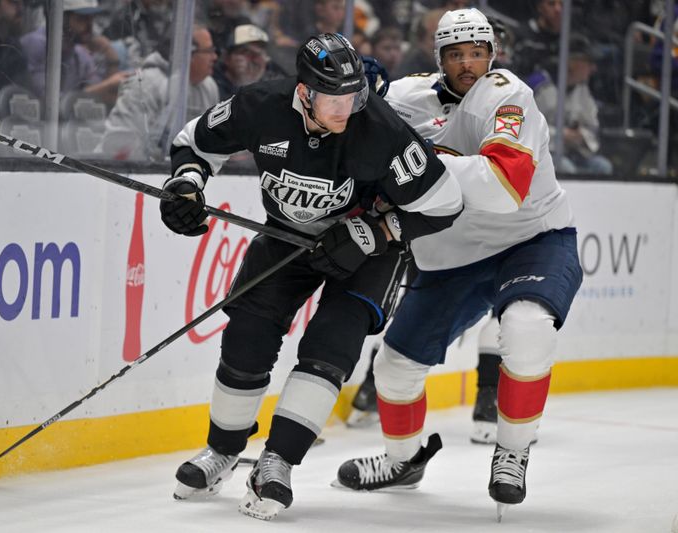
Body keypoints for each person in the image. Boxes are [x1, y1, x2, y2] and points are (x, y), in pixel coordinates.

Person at [160, 32, 463, 521]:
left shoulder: (381, 130)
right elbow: (194, 143)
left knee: (330, 345)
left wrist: (379, 230)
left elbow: (445, 204)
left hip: (368, 249)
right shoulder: (260, 105)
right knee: (248, 334)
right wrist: (187, 184)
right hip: (286, 235)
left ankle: (277, 463)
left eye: (355, 96)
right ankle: (222, 451)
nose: (348, 109)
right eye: (335, 99)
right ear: (304, 92)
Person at [334, 8, 582, 520]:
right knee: (394, 369)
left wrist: (414, 166)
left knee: (527, 327)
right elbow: (348, 137)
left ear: (493, 55)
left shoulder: (510, 96)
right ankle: (403, 462)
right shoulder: (405, 98)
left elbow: (504, 187)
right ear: (438, 58)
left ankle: (512, 452)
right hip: (450, 256)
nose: (468, 64)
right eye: (455, 54)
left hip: (531, 238)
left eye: (477, 53)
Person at [98, 25, 219, 161]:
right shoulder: (145, 84)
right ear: (188, 54)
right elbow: (118, 145)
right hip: (139, 171)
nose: (214, 57)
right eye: (209, 51)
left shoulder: (209, 87)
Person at [530, 33, 613, 175]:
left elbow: (592, 125)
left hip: (574, 153)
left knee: (603, 167)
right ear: (572, 62)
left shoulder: (582, 88)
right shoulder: (538, 85)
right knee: (567, 169)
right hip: (542, 154)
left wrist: (581, 135)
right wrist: (561, 135)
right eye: (589, 62)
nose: (593, 68)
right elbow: (528, 128)